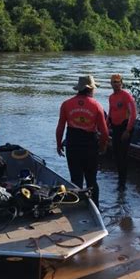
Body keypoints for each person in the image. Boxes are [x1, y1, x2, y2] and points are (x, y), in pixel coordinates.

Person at [56, 75, 108, 207]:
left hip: (73, 144)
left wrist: (58, 144)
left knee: (75, 179)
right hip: (90, 145)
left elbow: (60, 127)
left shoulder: (66, 104)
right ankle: (95, 208)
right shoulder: (96, 105)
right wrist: (102, 147)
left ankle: (77, 208)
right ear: (90, 89)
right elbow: (104, 132)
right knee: (92, 180)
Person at [108, 74, 137, 191]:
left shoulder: (126, 96)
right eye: (114, 82)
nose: (116, 84)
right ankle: (120, 180)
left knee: (122, 156)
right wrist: (105, 127)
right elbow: (110, 113)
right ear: (111, 83)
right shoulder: (111, 97)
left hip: (125, 127)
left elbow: (133, 114)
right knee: (116, 155)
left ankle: (122, 183)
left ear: (121, 83)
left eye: (118, 82)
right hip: (115, 128)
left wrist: (128, 130)